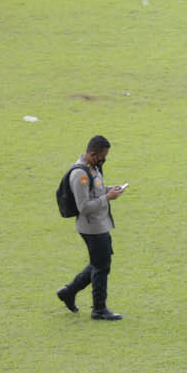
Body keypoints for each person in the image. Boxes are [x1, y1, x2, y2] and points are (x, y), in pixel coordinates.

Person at [56, 135, 126, 320]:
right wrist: (107, 198)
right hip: (92, 227)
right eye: (103, 156)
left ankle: (69, 292)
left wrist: (111, 189)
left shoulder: (93, 168)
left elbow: (96, 190)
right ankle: (99, 309)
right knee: (101, 267)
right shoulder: (80, 175)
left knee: (99, 263)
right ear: (93, 153)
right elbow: (84, 206)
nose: (104, 160)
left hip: (100, 223)